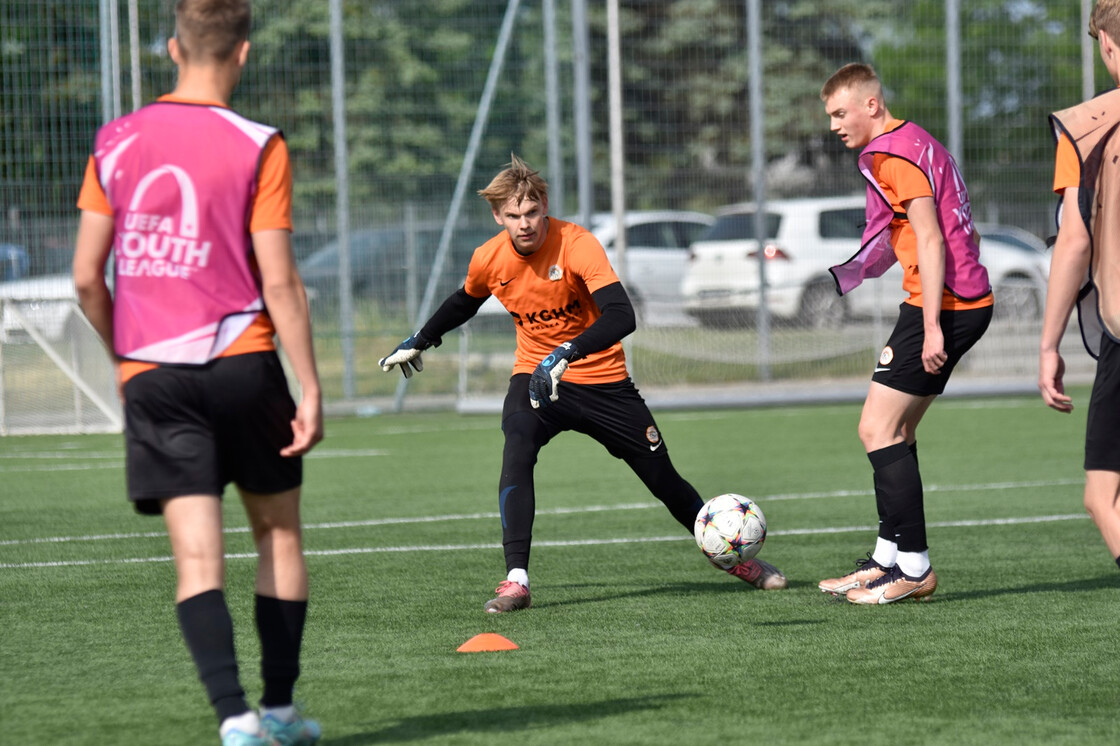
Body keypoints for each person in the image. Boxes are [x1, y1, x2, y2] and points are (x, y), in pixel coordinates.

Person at [379, 155, 788, 613]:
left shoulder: (577, 243)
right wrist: (423, 338)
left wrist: (567, 352)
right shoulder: (489, 258)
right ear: (498, 217)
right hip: (536, 378)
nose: (524, 224)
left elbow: (621, 315)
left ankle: (731, 557)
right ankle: (516, 580)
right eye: (512, 216)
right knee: (517, 444)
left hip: (602, 381)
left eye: (531, 212)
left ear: (544, 206)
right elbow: (465, 300)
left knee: (662, 479)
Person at [72, 1, 322, 744]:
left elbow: (87, 276)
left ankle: (235, 720)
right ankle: (280, 710)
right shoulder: (257, 144)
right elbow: (280, 282)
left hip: (154, 372)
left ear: (174, 48)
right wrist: (308, 387)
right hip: (243, 364)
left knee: (195, 557)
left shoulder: (116, 140)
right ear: (242, 53)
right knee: (277, 535)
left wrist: (131, 352)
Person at [816, 64, 994, 604]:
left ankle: (913, 568)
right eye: (829, 117)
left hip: (941, 306)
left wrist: (935, 324)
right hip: (949, 302)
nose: (834, 126)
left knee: (876, 429)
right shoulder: (916, 139)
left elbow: (931, 238)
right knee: (896, 432)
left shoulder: (894, 153)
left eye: (841, 113)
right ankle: (887, 559)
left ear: (872, 105)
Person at [1039, 0, 1120, 575]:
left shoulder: (1088, 126)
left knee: (1103, 496)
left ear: (1108, 46)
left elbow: (1074, 243)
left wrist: (1049, 346)